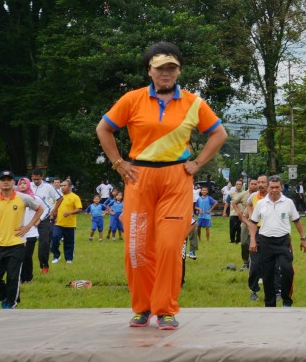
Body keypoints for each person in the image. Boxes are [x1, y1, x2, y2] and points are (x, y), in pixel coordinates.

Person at [95, 41, 228, 330]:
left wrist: (197, 163)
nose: (165, 73)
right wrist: (118, 163)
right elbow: (103, 129)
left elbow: (219, 134)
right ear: (149, 71)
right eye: (159, 68)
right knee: (137, 248)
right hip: (139, 178)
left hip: (176, 180)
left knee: (169, 246)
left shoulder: (194, 102)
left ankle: (165, 309)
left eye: (171, 67)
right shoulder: (132, 99)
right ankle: (142, 307)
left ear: (179, 71)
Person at [0, 170, 45, 309]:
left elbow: (40, 209)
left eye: (9, 179)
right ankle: (5, 296)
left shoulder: (23, 198)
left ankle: (11, 303)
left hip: (16, 243)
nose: (6, 182)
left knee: (13, 277)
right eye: (3, 180)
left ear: (14, 182)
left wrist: (28, 226)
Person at [248, 176, 306, 307]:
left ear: (281, 188)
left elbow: (297, 221)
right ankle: (270, 305)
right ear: (268, 188)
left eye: (277, 187)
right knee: (267, 275)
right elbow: (253, 223)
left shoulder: (288, 202)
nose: (274, 190)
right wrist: (252, 240)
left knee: (287, 270)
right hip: (265, 242)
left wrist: (303, 238)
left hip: (283, 242)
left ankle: (286, 301)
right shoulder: (261, 203)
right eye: (272, 187)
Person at [29, 169, 61, 275]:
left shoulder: (48, 187)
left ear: (42, 177)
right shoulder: (28, 186)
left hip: (45, 217)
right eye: (34, 179)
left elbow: (60, 198)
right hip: (30, 218)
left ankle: (44, 266)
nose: (35, 181)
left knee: (44, 243)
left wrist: (54, 210)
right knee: (28, 243)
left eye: (37, 179)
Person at [50, 180, 82, 264]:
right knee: (54, 238)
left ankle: (69, 258)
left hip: (70, 224)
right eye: (61, 186)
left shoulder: (75, 197)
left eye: (64, 185)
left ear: (70, 187)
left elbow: (79, 209)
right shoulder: (59, 197)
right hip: (58, 223)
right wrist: (53, 214)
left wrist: (69, 213)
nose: (62, 187)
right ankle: (56, 256)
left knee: (69, 242)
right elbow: (56, 208)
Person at [15, 178, 40, 283]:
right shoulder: (15, 198)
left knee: (27, 256)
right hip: (18, 232)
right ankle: (20, 278)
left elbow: (43, 209)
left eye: (25, 183)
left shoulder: (34, 198)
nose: (22, 185)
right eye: (20, 183)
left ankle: (28, 277)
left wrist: (38, 220)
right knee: (18, 256)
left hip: (30, 232)